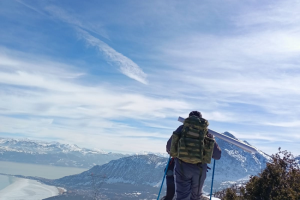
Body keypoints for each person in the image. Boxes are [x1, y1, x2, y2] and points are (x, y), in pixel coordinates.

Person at [165, 111, 221, 200]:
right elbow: (217, 155)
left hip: (182, 166)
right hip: (199, 169)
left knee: (182, 196)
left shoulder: (182, 129)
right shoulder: (205, 132)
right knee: (196, 196)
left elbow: (169, 148)